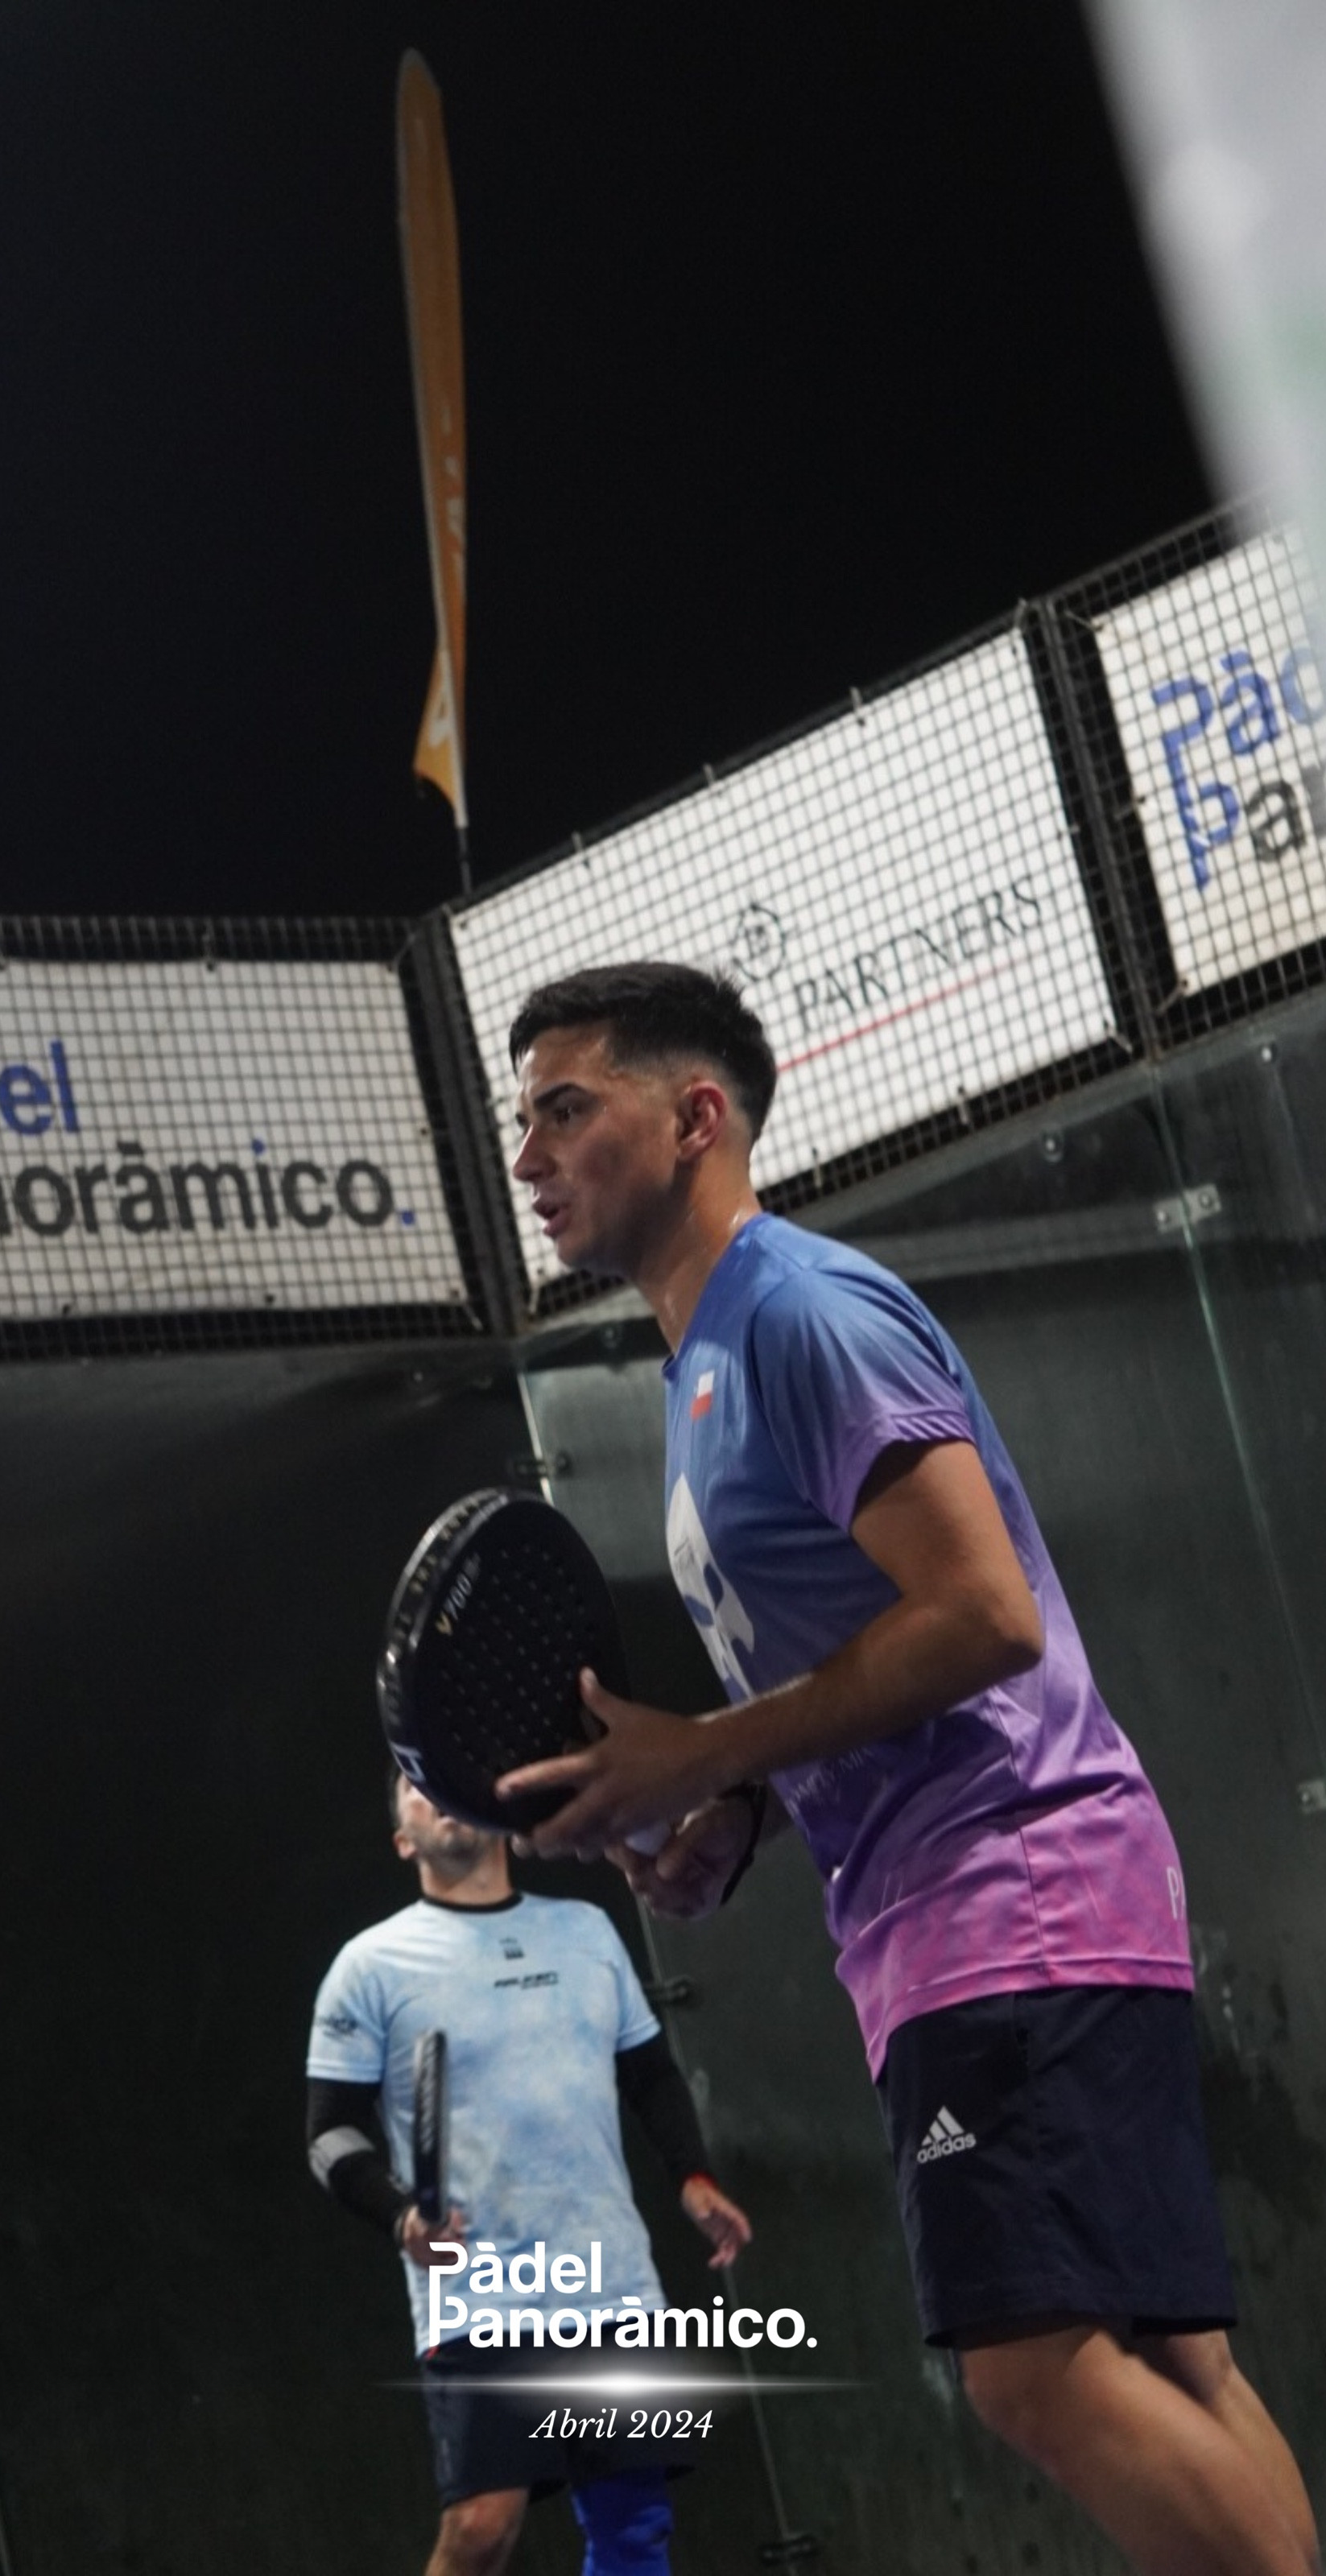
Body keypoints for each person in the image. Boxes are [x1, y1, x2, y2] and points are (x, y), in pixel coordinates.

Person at [498, 958, 1320, 2576]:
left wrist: (705, 1746)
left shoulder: (799, 1313)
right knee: (1172, 2364)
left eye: (564, 1110)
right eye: (523, 1123)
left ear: (696, 1117)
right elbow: (864, 1653)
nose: (530, 1156)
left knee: (1032, 2367)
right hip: (994, 1900)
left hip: (1012, 1888)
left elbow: (983, 1615)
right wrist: (735, 1808)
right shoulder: (705, 1365)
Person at [306, 1769, 752, 2576]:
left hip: (612, 2286)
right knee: (482, 2527)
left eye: (443, 1777)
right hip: (478, 2299)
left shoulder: (586, 1931)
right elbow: (329, 2135)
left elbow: (650, 2073)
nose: (432, 1791)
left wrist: (694, 2176)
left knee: (634, 2525)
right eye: (412, 1786)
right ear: (403, 1840)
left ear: (495, 1814)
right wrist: (402, 2216)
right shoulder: (368, 1966)